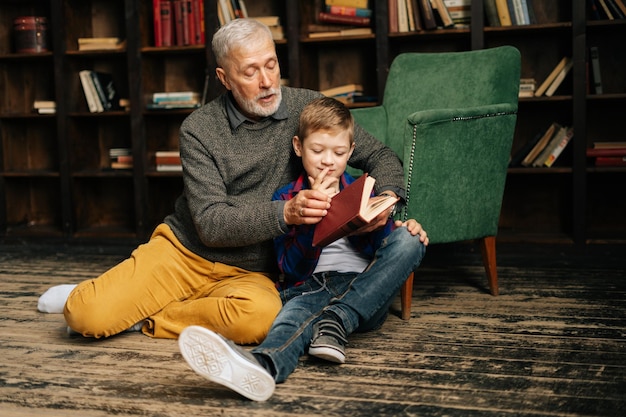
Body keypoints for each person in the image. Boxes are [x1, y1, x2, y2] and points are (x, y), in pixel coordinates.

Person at [56, 18, 409, 344]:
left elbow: (381, 156)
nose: (267, 81)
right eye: (250, 72)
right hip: (184, 252)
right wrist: (286, 213)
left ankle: (148, 317)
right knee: (84, 315)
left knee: (259, 322)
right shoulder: (199, 129)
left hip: (253, 271)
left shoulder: (309, 108)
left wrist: (387, 198)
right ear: (224, 79)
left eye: (271, 64)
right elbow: (211, 224)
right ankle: (119, 297)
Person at [178, 97, 428, 401]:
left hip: (363, 293)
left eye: (338, 152)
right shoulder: (287, 198)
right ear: (298, 147)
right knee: (293, 318)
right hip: (308, 287)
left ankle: (338, 319)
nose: (327, 161)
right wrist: (311, 222)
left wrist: (398, 228)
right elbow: (292, 268)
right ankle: (262, 367)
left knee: (411, 240)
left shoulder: (364, 192)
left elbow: (384, 253)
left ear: (350, 152)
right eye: (317, 150)